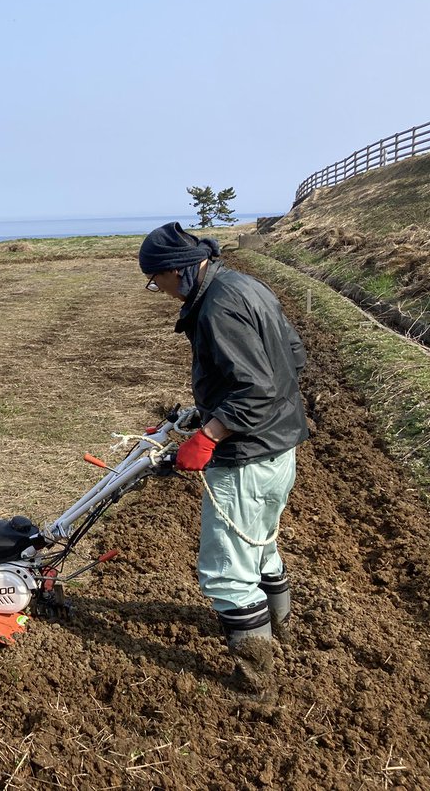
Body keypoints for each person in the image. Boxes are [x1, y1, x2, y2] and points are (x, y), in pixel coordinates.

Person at [138, 222, 309, 700]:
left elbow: (254, 388)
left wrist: (211, 433)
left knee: (227, 572)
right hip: (279, 447)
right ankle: (279, 629)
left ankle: (257, 687)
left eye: (158, 282)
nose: (161, 291)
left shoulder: (216, 307)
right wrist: (206, 409)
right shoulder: (245, 285)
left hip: (245, 457)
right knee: (261, 545)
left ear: (178, 271)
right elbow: (290, 357)